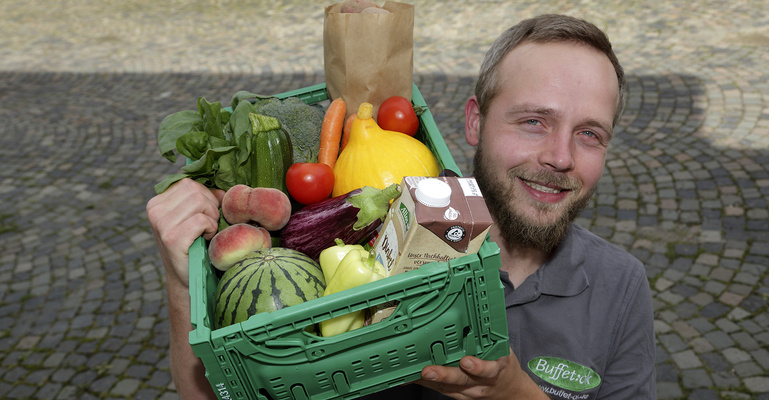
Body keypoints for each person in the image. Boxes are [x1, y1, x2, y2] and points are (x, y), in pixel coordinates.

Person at [147, 13, 656, 400]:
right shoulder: (379, 245)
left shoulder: (621, 285)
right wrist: (181, 282)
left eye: (590, 134)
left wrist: (516, 395)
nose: (561, 157)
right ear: (475, 122)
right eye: (533, 122)